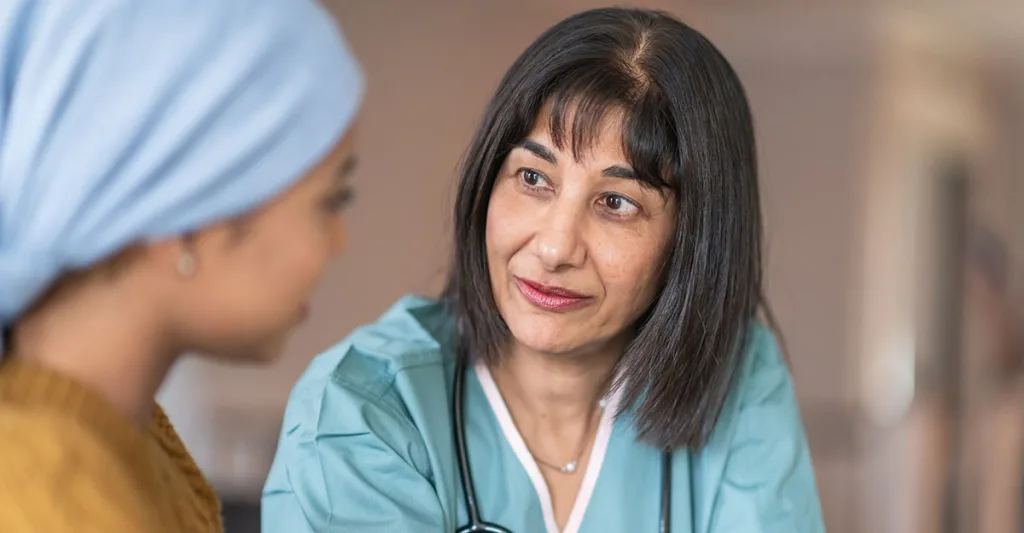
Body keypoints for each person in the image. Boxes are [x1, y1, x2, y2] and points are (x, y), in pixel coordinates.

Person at [263, 7, 825, 533]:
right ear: (488, 180)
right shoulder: (364, 409)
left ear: (692, 240)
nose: (555, 247)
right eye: (534, 178)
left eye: (617, 203)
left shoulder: (740, 382)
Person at [0, 0, 363, 532]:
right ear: (188, 219)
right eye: (330, 202)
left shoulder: (123, 435)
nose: (338, 243)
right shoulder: (46, 502)